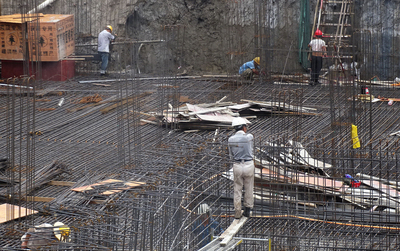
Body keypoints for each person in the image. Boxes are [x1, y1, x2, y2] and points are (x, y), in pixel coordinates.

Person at [228, 117, 254, 219]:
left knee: (237, 189)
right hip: (248, 164)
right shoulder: (249, 137)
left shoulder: (230, 140)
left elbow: (231, 156)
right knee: (249, 188)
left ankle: (237, 212)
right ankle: (247, 210)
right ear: (243, 127)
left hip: (237, 165)